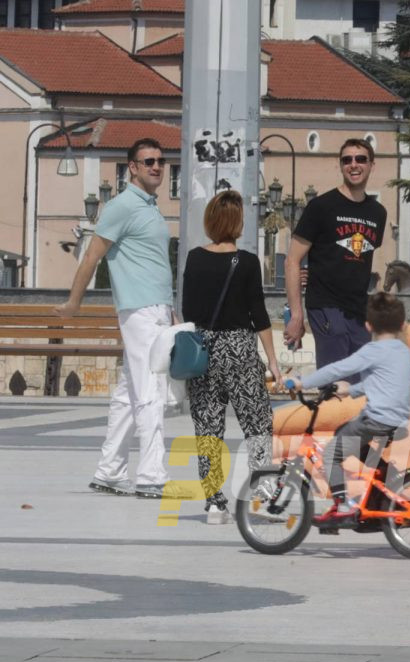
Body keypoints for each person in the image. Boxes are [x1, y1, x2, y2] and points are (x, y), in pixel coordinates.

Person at [55, 138, 189, 500]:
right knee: (150, 392)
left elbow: (153, 264)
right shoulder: (121, 206)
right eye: (148, 161)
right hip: (140, 311)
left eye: (161, 161)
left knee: (130, 392)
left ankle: (109, 471)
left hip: (155, 308)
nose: (157, 167)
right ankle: (151, 476)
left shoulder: (149, 206)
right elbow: (91, 257)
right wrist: (73, 303)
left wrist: (169, 307)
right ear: (132, 167)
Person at [181, 191, 283, 525]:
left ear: (210, 220)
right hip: (240, 348)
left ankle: (214, 504)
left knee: (208, 429)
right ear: (237, 223)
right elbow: (259, 316)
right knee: (257, 425)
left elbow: (188, 311)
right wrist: (273, 361)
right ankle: (266, 496)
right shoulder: (248, 262)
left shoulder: (194, 258)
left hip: (204, 349)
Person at [288, 292, 410, 520]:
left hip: (377, 419)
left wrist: (302, 383)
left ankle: (343, 506)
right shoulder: (403, 351)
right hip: (400, 420)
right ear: (403, 325)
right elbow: (385, 383)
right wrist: (352, 390)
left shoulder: (373, 350)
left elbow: (337, 369)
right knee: (344, 431)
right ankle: (385, 475)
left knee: (332, 454)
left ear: (367, 325)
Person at [283, 138, 387, 382]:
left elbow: (360, 262)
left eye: (360, 159)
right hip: (326, 306)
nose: (354, 165)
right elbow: (292, 261)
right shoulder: (321, 207)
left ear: (372, 164)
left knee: (359, 386)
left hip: (359, 312)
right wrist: (297, 316)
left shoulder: (378, 213)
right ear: (340, 166)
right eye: (347, 160)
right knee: (334, 385)